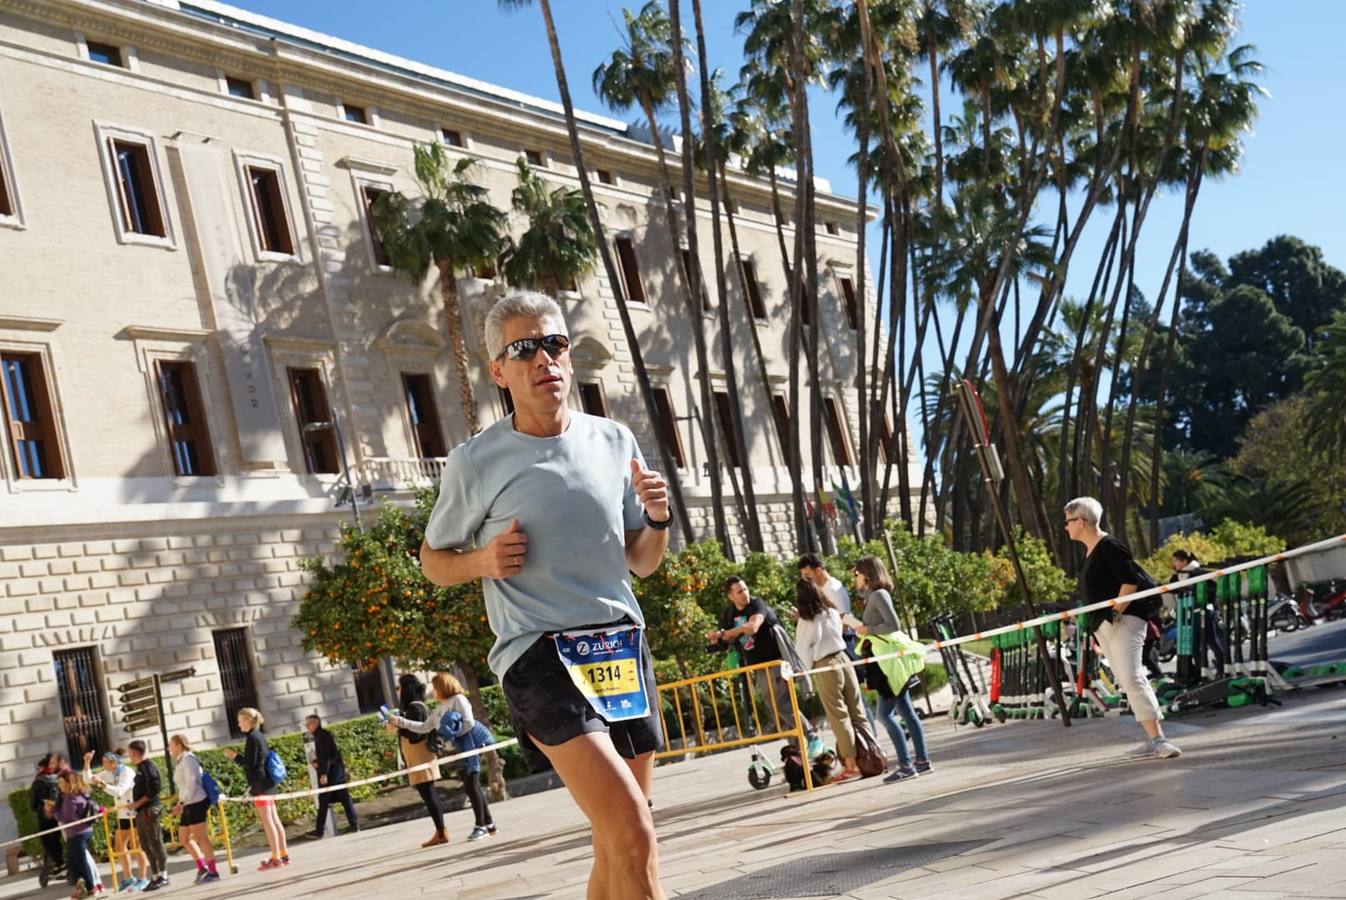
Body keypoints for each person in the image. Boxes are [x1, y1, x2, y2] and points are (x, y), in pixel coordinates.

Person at [419, 290, 671, 898]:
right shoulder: (475, 463)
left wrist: (659, 520)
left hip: (621, 648)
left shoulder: (614, 441)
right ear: (498, 371)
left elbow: (642, 563)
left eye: (555, 344)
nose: (545, 359)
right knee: (632, 829)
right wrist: (481, 560)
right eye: (523, 348)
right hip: (541, 656)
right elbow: (432, 561)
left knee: (618, 839)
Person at [1065, 497, 1181, 759]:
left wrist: (1115, 613)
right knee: (1126, 681)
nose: (1066, 527)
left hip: (1124, 621)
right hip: (1103, 626)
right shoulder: (1090, 551)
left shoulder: (1109, 546)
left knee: (1132, 677)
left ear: (1081, 521)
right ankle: (1152, 738)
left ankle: (1159, 739)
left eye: (1068, 521)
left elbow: (1129, 583)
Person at [707, 576, 821, 752]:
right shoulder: (729, 614)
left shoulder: (757, 604)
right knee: (774, 709)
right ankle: (795, 750)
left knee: (781, 704)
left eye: (745, 589)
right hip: (758, 668)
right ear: (730, 596)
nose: (745, 593)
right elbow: (726, 640)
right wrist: (717, 638)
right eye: (739, 591)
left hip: (775, 663)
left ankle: (812, 736)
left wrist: (728, 632)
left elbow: (753, 627)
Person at [386, 673, 496, 842]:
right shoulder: (441, 706)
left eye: (435, 686)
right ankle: (489, 823)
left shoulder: (458, 699)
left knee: (471, 784)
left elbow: (469, 723)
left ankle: (481, 825)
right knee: (471, 785)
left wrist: (450, 735)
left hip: (469, 744)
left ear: (443, 686)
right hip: (458, 748)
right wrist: (400, 721)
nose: (432, 690)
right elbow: (424, 727)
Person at [851, 555, 932, 782]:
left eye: (856, 574)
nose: (854, 578)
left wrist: (868, 630)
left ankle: (906, 764)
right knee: (906, 711)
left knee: (884, 715)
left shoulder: (879, 595)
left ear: (867, 574)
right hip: (884, 661)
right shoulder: (873, 595)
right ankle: (922, 760)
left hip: (888, 664)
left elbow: (893, 624)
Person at [792, 579, 867, 782]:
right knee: (857, 710)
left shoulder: (806, 621)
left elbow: (802, 649)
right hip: (844, 659)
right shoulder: (832, 612)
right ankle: (869, 755)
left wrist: (804, 672)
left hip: (825, 665)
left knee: (838, 716)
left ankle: (851, 765)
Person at [222, 707, 289, 870]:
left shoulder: (252, 737)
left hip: (260, 784)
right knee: (274, 819)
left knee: (267, 821)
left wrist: (234, 756)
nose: (239, 725)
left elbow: (250, 763)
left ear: (247, 720)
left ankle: (276, 858)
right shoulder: (259, 735)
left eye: (240, 721)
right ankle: (283, 854)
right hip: (268, 782)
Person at [393, 673, 450, 847]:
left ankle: (441, 831)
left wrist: (398, 725)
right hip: (420, 757)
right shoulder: (417, 707)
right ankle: (440, 831)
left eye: (399, 687)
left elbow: (416, 734)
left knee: (429, 794)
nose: (397, 691)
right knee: (429, 794)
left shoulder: (415, 708)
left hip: (420, 757)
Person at [82, 749, 148, 891]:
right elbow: (88, 779)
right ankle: (129, 878)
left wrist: (102, 784)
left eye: (105, 762)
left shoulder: (127, 772)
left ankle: (144, 878)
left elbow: (119, 791)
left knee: (136, 846)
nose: (103, 765)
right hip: (122, 813)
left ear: (114, 763)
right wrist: (87, 763)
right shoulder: (109, 773)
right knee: (119, 847)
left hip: (133, 812)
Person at [168, 735, 220, 884]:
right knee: (183, 838)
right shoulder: (180, 761)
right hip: (187, 803)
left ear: (179, 745)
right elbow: (183, 785)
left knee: (201, 837)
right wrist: (181, 803)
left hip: (196, 801)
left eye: (171, 745)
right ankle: (202, 868)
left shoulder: (188, 759)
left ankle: (213, 871)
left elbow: (191, 782)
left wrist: (182, 803)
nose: (169, 748)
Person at [47, 769, 103, 898]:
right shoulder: (82, 794)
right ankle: (82, 888)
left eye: (61, 782)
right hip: (85, 831)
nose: (59, 785)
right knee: (74, 862)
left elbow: (65, 818)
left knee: (81, 862)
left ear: (69, 783)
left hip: (77, 834)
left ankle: (91, 887)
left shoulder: (70, 799)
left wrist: (53, 811)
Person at [305, 715, 360, 839]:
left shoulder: (322, 736)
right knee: (343, 798)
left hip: (331, 774)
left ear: (315, 723)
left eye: (308, 724)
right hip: (335, 771)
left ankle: (319, 831)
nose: (307, 727)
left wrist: (323, 773)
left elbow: (327, 756)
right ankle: (354, 824)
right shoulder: (322, 735)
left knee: (325, 800)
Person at [1171, 549, 1224, 678]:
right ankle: (1202, 672)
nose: (1174, 564)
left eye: (1176, 561)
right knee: (1195, 646)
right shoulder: (1179, 575)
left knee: (1211, 642)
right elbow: (1172, 586)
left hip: (1204, 611)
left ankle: (1221, 669)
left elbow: (1212, 588)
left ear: (1185, 561)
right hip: (1189, 613)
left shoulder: (1198, 572)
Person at [124, 741, 169, 891]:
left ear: (135, 753)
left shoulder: (148, 767)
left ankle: (163, 875)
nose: (128, 756)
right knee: (145, 844)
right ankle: (155, 875)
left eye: (129, 753)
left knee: (155, 842)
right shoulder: (140, 768)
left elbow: (155, 788)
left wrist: (137, 803)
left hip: (149, 810)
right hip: (141, 811)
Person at [30, 754, 66, 888]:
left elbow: (32, 804)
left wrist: (40, 808)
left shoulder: (38, 782)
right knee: (57, 839)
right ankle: (59, 863)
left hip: (44, 815)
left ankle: (59, 864)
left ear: (42, 768)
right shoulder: (58, 779)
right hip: (58, 813)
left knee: (47, 841)